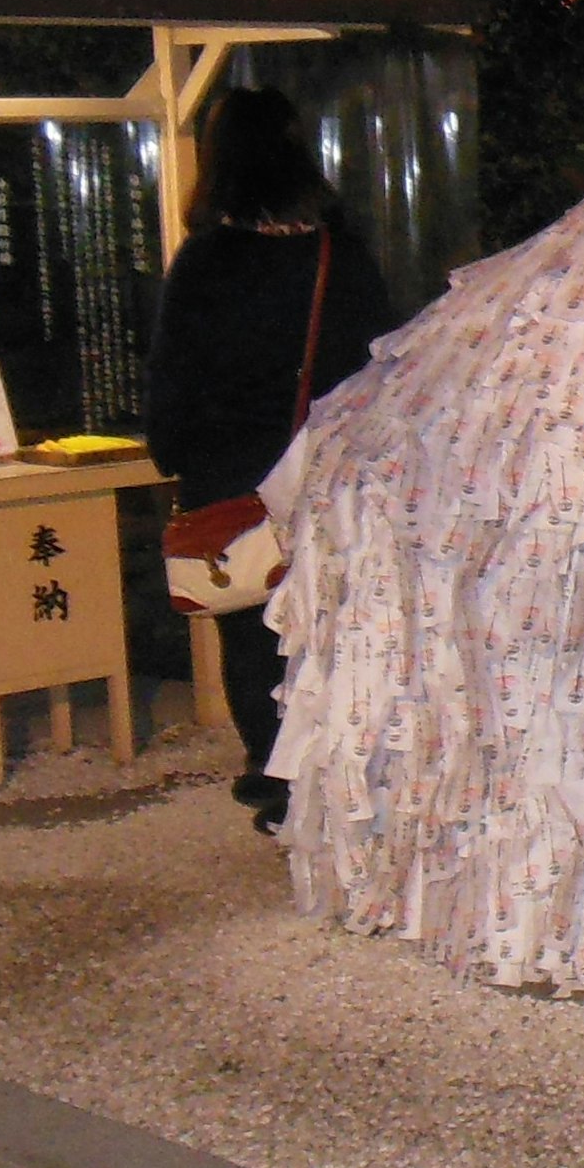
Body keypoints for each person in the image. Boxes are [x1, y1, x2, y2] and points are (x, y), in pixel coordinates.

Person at [144, 87, 390, 833]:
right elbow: (382, 364)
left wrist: (175, 453)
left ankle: (273, 769)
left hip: (232, 481)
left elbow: (174, 375)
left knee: (250, 628)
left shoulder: (206, 261)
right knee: (329, 624)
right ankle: (332, 771)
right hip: (323, 475)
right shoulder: (338, 258)